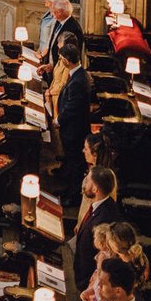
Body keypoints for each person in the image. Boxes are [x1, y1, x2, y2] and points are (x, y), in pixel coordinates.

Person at [52, 35, 93, 190]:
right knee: (70, 157)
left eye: (62, 58)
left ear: (67, 60)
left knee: (75, 160)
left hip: (74, 129)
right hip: (72, 127)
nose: (60, 60)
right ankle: (65, 177)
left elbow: (72, 107)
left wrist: (59, 120)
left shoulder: (78, 80)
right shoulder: (76, 74)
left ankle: (72, 193)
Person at [72, 167, 122, 263]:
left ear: (95, 189)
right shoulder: (107, 203)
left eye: (87, 181)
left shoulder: (102, 219)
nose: (84, 184)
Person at [40, 0, 82, 74]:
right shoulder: (58, 21)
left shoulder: (74, 28)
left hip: (63, 72)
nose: (52, 13)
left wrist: (56, 68)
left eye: (53, 10)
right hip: (52, 67)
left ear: (60, 12)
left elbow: (69, 56)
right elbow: (52, 42)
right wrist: (50, 65)